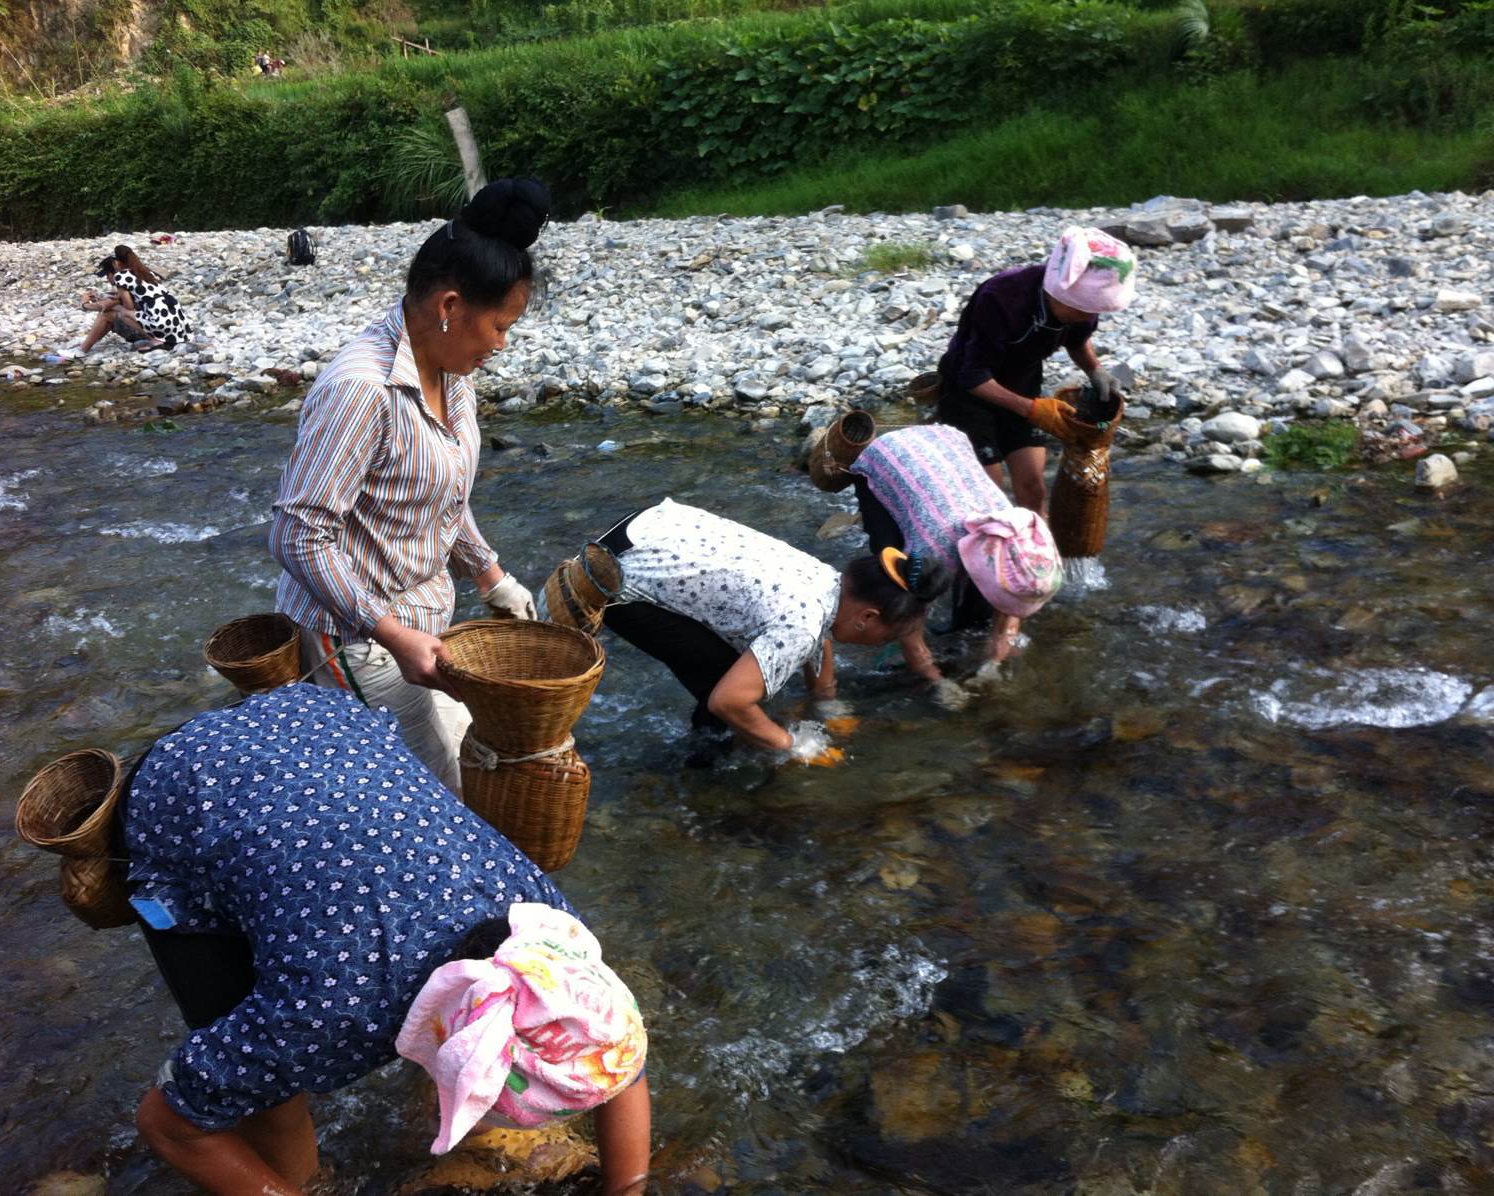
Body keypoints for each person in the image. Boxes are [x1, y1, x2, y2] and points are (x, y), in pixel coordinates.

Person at [123, 685, 650, 1196]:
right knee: (272, 1101)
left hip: (314, 720)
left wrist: (629, 1189)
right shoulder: (327, 1015)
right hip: (181, 786)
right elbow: (171, 1124)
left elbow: (615, 1062)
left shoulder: (551, 935)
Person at [269, 178, 548, 793]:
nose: (502, 345)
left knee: (482, 761)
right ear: (449, 307)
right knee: (438, 793)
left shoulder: (448, 370)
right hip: (358, 636)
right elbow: (297, 536)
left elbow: (441, 495)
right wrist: (393, 636)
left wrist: (489, 574)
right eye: (500, 326)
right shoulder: (361, 391)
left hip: (425, 626)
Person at [590, 498, 949, 760]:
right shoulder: (804, 625)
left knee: (748, 673)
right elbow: (730, 699)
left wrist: (826, 702)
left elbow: (817, 638)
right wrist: (793, 746)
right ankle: (705, 767)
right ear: (868, 617)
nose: (878, 644)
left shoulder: (826, 580)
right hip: (616, 577)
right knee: (728, 693)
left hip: (644, 527)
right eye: (886, 636)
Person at [932, 226, 1137, 512]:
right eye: (1084, 310)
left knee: (1033, 487)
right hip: (968, 393)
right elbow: (972, 375)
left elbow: (1078, 342)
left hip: (1023, 382)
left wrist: (1096, 371)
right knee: (989, 493)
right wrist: (1034, 410)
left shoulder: (1084, 308)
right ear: (1059, 295)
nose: (1090, 317)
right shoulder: (1001, 297)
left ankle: (1041, 554)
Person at [848, 423, 1060, 692]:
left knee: (977, 614)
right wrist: (939, 683)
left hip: (946, 443)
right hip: (887, 458)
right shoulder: (932, 552)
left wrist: (992, 664)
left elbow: (1010, 609)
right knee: (889, 562)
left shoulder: (1023, 542)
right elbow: (908, 631)